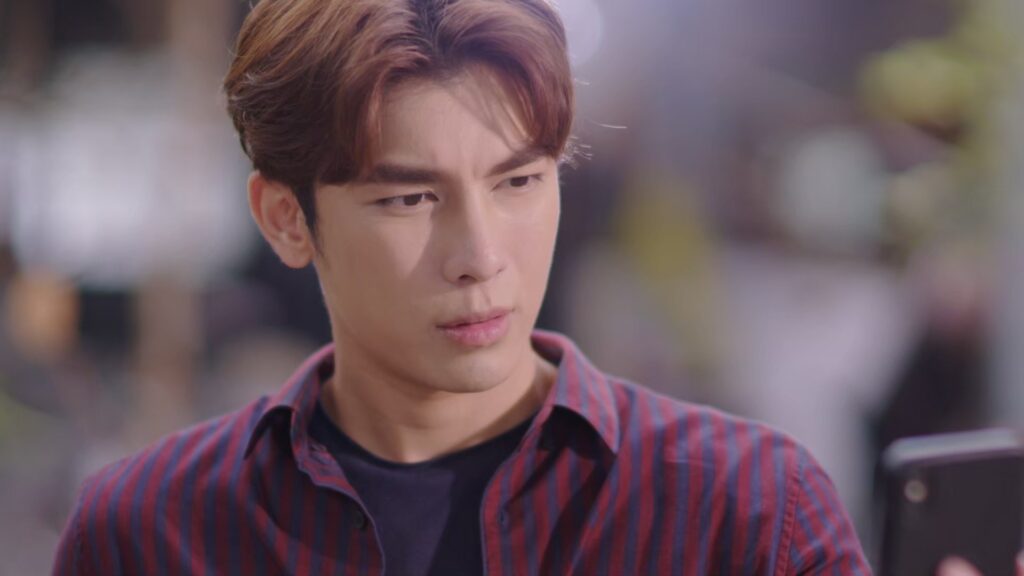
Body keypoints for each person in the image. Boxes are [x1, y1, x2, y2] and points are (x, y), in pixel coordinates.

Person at [52, 0, 873, 574]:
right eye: (410, 199)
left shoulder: (747, 508)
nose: (480, 256)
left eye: (518, 182)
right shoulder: (151, 533)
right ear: (286, 219)